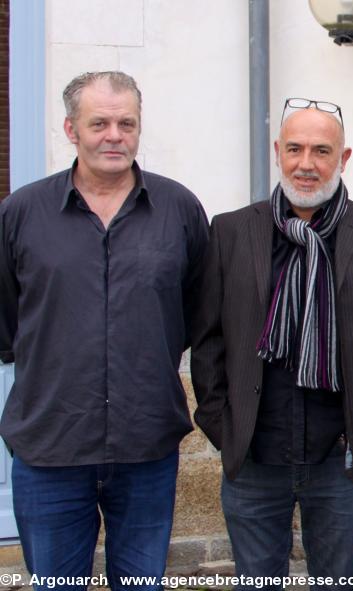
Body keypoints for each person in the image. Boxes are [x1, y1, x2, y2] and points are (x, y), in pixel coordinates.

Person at [190, 99, 353, 589]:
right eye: (294, 149)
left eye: (321, 150)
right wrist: (222, 425)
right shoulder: (231, 231)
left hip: (338, 458)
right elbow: (208, 340)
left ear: (344, 157)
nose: (306, 164)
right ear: (278, 152)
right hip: (252, 457)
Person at [0, 71, 208, 589]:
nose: (114, 135)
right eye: (99, 123)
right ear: (71, 129)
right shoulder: (22, 212)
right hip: (50, 446)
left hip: (146, 446)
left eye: (126, 123)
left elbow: (195, 311)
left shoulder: (178, 210)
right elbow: (7, 319)